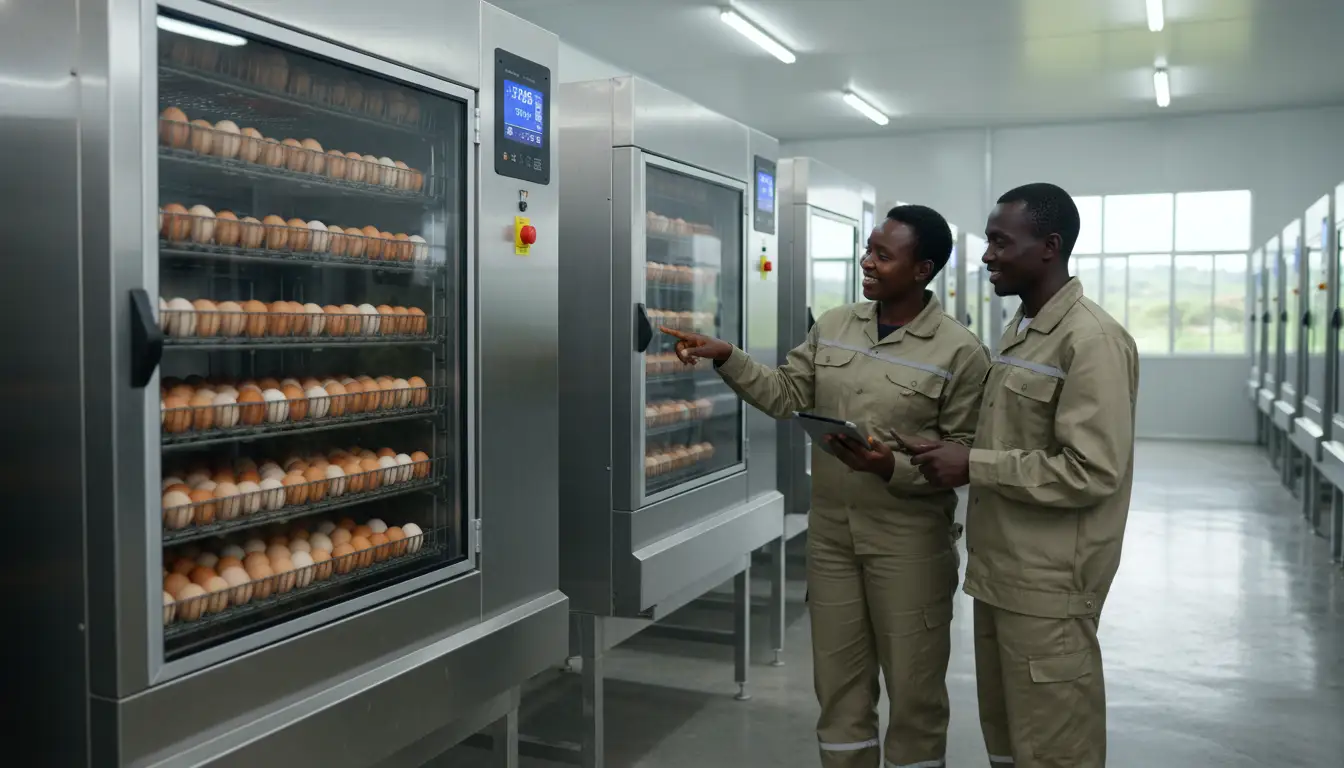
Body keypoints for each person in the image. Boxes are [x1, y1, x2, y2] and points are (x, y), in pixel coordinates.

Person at [663, 205, 990, 768]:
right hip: (833, 539)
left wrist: (891, 467)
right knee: (839, 691)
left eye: (883, 255)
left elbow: (961, 459)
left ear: (922, 269)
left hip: (908, 544)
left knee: (915, 698)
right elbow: (787, 393)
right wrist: (728, 358)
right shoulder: (836, 325)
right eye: (868, 249)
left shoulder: (960, 352)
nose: (867, 262)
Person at [903, 183, 1139, 768]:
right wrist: (951, 449)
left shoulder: (1091, 341)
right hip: (1001, 574)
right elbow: (1017, 438)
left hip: (1050, 590)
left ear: (1049, 247)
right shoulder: (1022, 330)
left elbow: (1092, 470)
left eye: (1000, 241)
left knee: (1054, 752)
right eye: (988, 241)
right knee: (1009, 747)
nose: (986, 255)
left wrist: (972, 465)